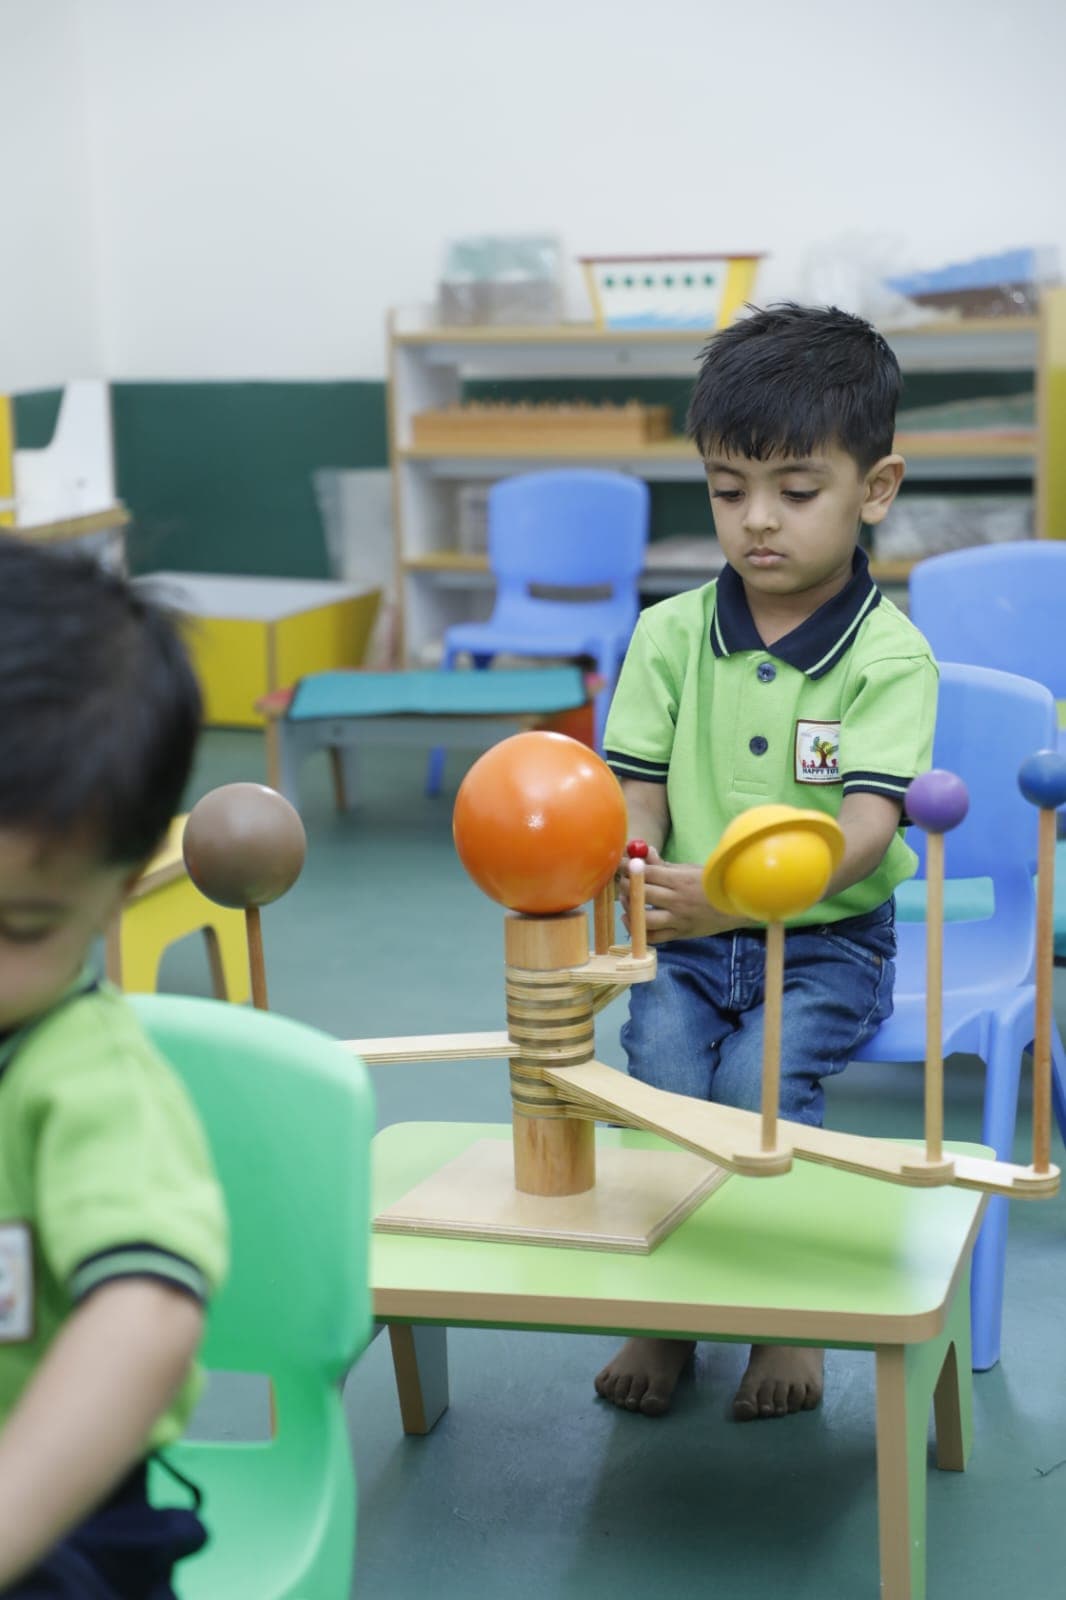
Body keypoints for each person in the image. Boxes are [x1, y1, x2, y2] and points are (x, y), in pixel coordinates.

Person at [595, 303, 937, 1422]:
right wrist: (642, 866)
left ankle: (784, 1315)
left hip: (828, 942)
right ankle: (666, 1309)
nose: (756, 521)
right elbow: (636, 786)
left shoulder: (888, 656)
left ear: (872, 489)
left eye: (795, 491)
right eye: (726, 488)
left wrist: (736, 895)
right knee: (658, 1078)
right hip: (688, 936)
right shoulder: (664, 634)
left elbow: (867, 833)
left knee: (756, 1089)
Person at [0, 535, 228, 1595]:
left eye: (19, 924)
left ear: (122, 882)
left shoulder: (88, 1083)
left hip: (62, 1511)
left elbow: (144, 1315)